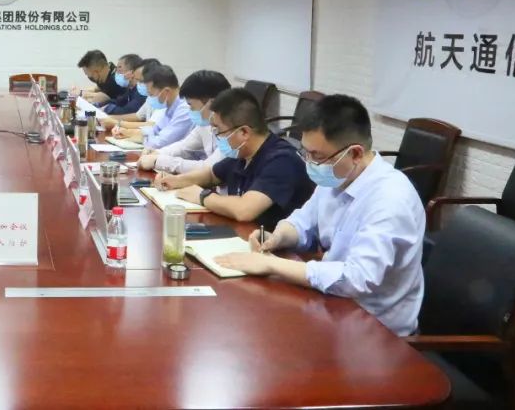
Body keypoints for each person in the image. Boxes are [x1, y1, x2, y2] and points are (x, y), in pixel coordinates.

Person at [214, 95, 425, 337]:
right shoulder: (339, 174)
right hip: (332, 306)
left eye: (317, 156)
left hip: (377, 330)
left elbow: (358, 278)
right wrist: (277, 237)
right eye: (306, 152)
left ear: (355, 153)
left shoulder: (390, 199)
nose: (310, 163)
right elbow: (304, 222)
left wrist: (272, 264)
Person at [155, 87, 313, 231]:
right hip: (246, 234)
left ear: (244, 132)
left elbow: (245, 210)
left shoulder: (282, 160)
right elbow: (211, 175)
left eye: (219, 130)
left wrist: (202, 196)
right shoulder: (243, 152)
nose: (217, 136)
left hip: (277, 246)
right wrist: (176, 181)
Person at [138, 70, 231, 174]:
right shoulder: (205, 124)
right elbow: (184, 147)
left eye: (191, 105)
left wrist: (158, 161)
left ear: (211, 103)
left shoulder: (233, 129)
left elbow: (210, 167)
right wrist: (157, 153)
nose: (189, 110)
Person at [111, 64, 192, 149]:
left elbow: (160, 143)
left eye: (151, 94)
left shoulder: (184, 110)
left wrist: (140, 138)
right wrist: (128, 132)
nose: (149, 98)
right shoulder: (171, 108)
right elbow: (155, 130)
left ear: (166, 92)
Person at [103, 58, 163, 131]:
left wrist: (117, 123)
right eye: (137, 80)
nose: (138, 84)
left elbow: (151, 125)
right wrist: (107, 118)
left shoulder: (163, 98)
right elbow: (138, 116)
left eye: (141, 81)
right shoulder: (151, 96)